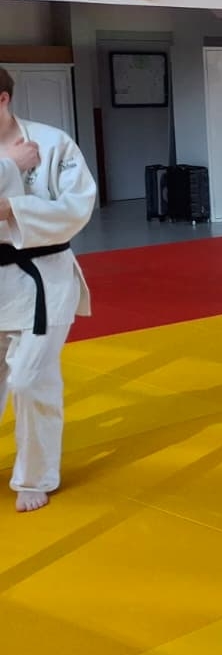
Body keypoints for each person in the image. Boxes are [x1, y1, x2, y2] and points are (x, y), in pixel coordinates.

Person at [0, 66, 97, 514]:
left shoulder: (53, 143)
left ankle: (35, 476)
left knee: (29, 378)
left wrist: (11, 210)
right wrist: (9, 168)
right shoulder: (16, 155)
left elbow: (77, 208)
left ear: (3, 99)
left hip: (43, 278)